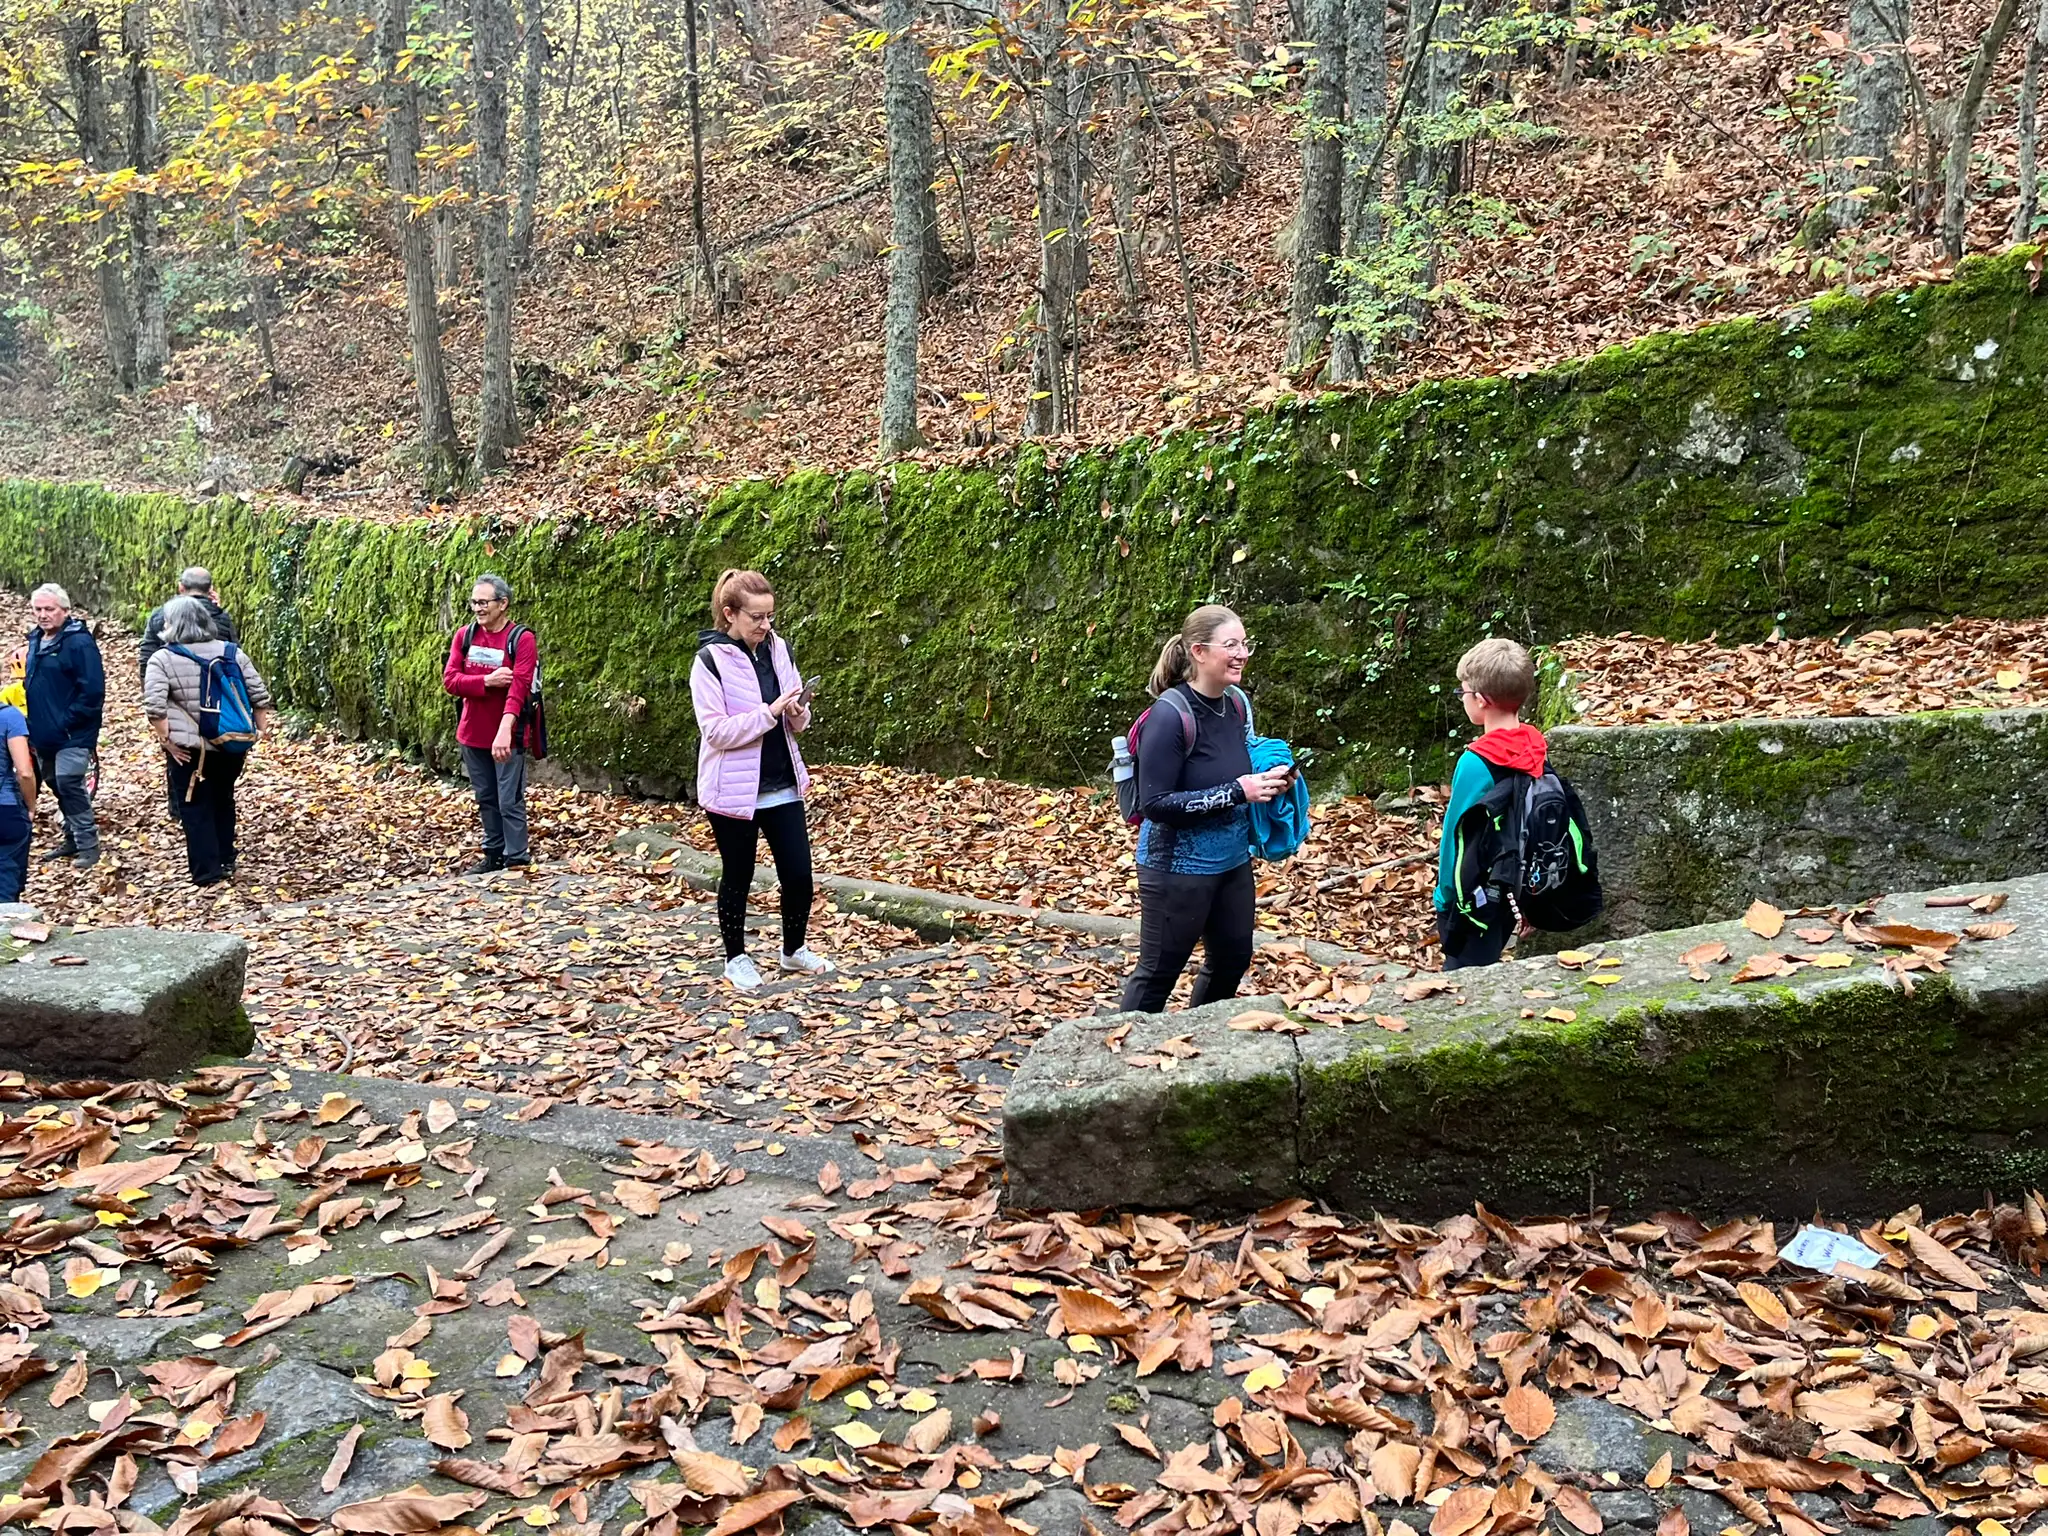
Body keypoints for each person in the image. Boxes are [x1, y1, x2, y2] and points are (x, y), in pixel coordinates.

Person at [1118, 605, 1290, 1014]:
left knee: (1231, 960)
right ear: (1198, 651)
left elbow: (1240, 764)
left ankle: (1199, 1045)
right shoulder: (1169, 715)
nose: (1242, 653)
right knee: (1159, 971)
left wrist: (1274, 780)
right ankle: (1121, 1063)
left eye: (1245, 643)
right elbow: (1154, 804)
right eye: (1230, 645)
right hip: (1175, 868)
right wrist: (1236, 791)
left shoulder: (1236, 704)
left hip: (1232, 863)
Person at [690, 568, 833, 990]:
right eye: (756, 617)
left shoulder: (777, 648)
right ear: (729, 614)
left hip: (782, 781)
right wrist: (768, 713)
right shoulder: (709, 661)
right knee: (739, 874)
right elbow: (715, 731)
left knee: (799, 873)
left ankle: (793, 951)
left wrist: (797, 710)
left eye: (770, 616)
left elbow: (796, 720)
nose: (766, 625)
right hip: (733, 790)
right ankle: (736, 959)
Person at [1433, 637, 1548, 971]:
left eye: (1463, 692)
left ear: (1481, 700)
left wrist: (1445, 898)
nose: (1462, 698)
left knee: (1462, 982)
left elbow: (1456, 835)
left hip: (1472, 898)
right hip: (1512, 889)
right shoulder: (1534, 745)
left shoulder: (1476, 762)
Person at [142, 596, 274, 887]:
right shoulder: (232, 652)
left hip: (190, 750)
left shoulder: (162, 658)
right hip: (231, 745)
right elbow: (259, 695)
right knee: (223, 798)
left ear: (170, 625)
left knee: (194, 805)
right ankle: (227, 857)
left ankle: (207, 872)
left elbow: (154, 707)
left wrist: (167, 741)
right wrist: (258, 732)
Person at [442, 574, 539, 874]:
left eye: (484, 602)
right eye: (474, 602)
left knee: (509, 798)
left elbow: (519, 688)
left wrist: (505, 730)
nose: (477, 608)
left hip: (508, 733)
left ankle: (517, 858)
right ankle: (493, 854)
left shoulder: (521, 639)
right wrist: (486, 680)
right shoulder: (465, 636)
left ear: (503, 603)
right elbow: (451, 680)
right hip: (472, 732)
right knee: (486, 797)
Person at [20, 584, 104, 869]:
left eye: (49, 609)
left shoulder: (78, 643)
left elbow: (92, 691)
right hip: (43, 731)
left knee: (69, 780)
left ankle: (89, 844)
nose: (43, 615)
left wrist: (67, 721)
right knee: (56, 782)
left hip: (73, 731)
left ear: (65, 611)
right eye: (38, 609)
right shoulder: (36, 639)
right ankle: (72, 837)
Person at [138, 568, 238, 681]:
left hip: (171, 686)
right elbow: (234, 656)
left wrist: (148, 689)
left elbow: (147, 654)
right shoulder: (221, 618)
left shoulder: (160, 615)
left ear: (180, 587)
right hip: (215, 690)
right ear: (210, 589)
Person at [0, 691, 34, 901]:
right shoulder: (9, 716)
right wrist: (31, 805)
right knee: (6, 877)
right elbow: (25, 772)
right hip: (6, 808)